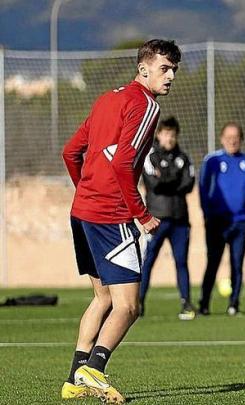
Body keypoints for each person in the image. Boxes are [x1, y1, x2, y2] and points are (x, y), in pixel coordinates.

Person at [61, 39, 181, 403]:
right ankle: (94, 370)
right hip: (111, 216)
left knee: (102, 299)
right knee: (128, 306)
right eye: (164, 68)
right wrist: (141, 214)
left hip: (82, 212)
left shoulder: (106, 99)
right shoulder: (146, 105)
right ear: (143, 69)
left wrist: (87, 190)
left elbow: (70, 151)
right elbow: (123, 162)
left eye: (174, 69)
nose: (171, 75)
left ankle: (72, 380)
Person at [198, 122, 245, 316]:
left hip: (241, 223)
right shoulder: (212, 160)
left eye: (236, 137)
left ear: (241, 139)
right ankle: (204, 304)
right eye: (228, 137)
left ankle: (234, 304)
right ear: (222, 139)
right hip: (217, 222)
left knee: (237, 263)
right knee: (213, 263)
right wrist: (207, 214)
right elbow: (202, 188)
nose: (232, 140)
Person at [139, 116, 196, 320]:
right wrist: (173, 178)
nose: (169, 139)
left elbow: (188, 184)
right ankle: (139, 303)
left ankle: (186, 303)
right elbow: (153, 185)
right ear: (159, 135)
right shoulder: (149, 156)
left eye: (173, 135)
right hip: (156, 219)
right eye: (165, 134)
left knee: (181, 261)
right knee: (148, 261)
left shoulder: (184, 157)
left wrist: (164, 176)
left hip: (180, 218)